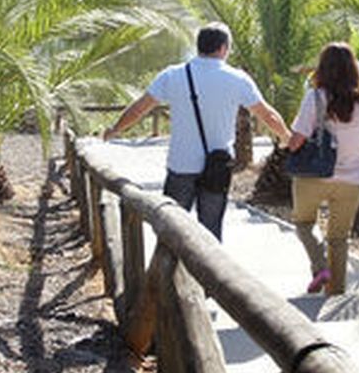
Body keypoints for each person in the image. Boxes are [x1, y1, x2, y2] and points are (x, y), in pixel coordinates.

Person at [103, 24, 289, 239]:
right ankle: (208, 273)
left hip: (181, 165)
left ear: (199, 46)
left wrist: (115, 129)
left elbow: (139, 108)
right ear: (223, 48)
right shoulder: (237, 79)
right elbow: (268, 115)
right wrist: (286, 137)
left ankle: (170, 272)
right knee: (210, 233)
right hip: (217, 167)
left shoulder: (172, 75)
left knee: (171, 231)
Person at [287, 42, 359, 295]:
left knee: (304, 223)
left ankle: (320, 268)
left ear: (323, 68)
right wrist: (350, 152)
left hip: (313, 177)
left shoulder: (315, 97)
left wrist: (289, 141)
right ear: (353, 69)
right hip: (351, 180)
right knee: (339, 239)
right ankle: (335, 295)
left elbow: (297, 140)